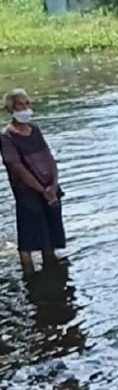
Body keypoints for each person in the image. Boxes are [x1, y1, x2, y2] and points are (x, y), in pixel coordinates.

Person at [0, 90, 66, 273]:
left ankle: (52, 269)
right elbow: (17, 167)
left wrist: (52, 186)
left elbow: (49, 157)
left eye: (27, 103)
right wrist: (41, 189)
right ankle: (29, 275)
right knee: (28, 236)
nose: (26, 108)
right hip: (27, 191)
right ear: (10, 109)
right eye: (21, 104)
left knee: (51, 233)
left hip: (49, 186)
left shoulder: (34, 130)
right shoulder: (7, 136)